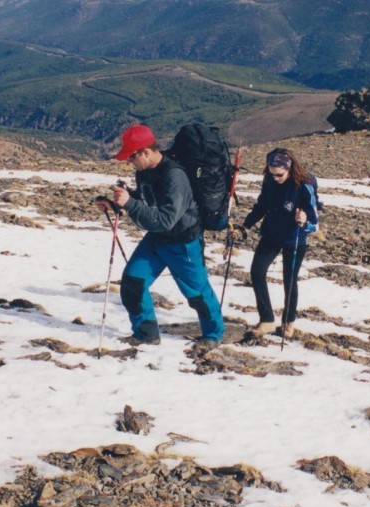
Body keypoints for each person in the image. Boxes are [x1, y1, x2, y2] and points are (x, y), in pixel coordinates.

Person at [97, 124, 224, 349]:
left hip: (183, 242)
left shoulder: (175, 176)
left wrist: (131, 203)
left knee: (197, 294)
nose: (129, 162)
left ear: (146, 151)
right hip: (157, 239)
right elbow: (147, 201)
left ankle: (214, 335)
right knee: (133, 283)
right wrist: (116, 203)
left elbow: (166, 218)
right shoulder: (144, 171)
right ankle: (146, 334)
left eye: (132, 156)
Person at [235, 147, 319, 339]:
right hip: (272, 233)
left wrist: (304, 220)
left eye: (279, 175)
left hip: (294, 238)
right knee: (257, 272)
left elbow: (315, 222)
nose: (275, 178)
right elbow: (262, 205)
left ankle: (288, 322)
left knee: (289, 280)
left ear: (289, 169)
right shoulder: (269, 181)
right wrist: (246, 225)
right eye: (272, 174)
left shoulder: (304, 185)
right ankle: (267, 320)